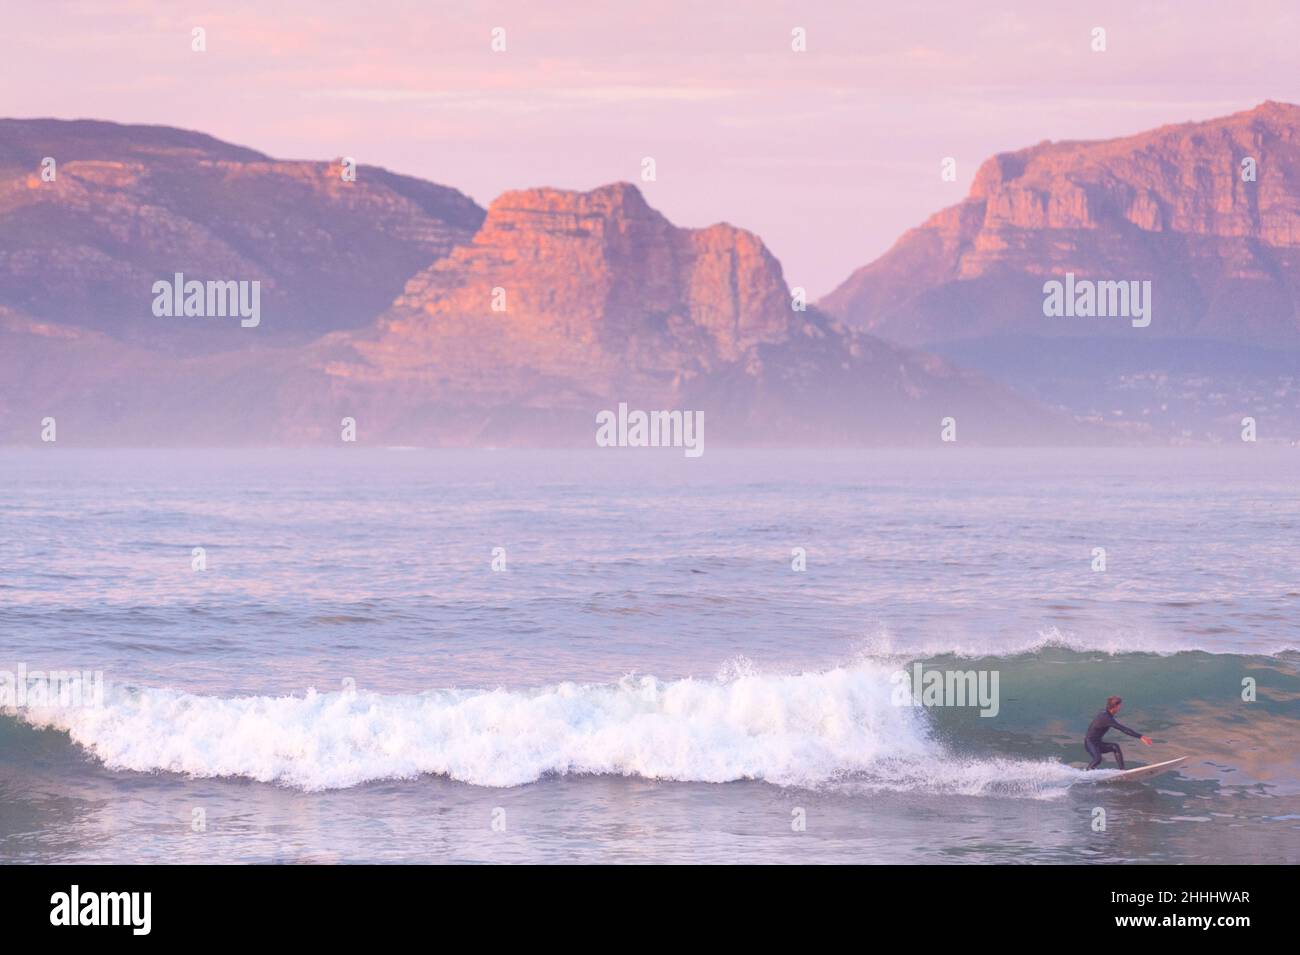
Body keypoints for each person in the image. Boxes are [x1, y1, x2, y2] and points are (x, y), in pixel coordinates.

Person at [1084, 695, 1153, 770]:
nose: (1120, 707)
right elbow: (1123, 729)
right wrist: (1141, 736)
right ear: (1116, 706)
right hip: (1090, 743)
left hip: (1097, 743)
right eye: (1120, 705)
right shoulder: (1106, 718)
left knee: (1115, 747)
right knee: (1097, 759)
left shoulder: (1106, 714)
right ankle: (1086, 774)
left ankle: (1122, 771)